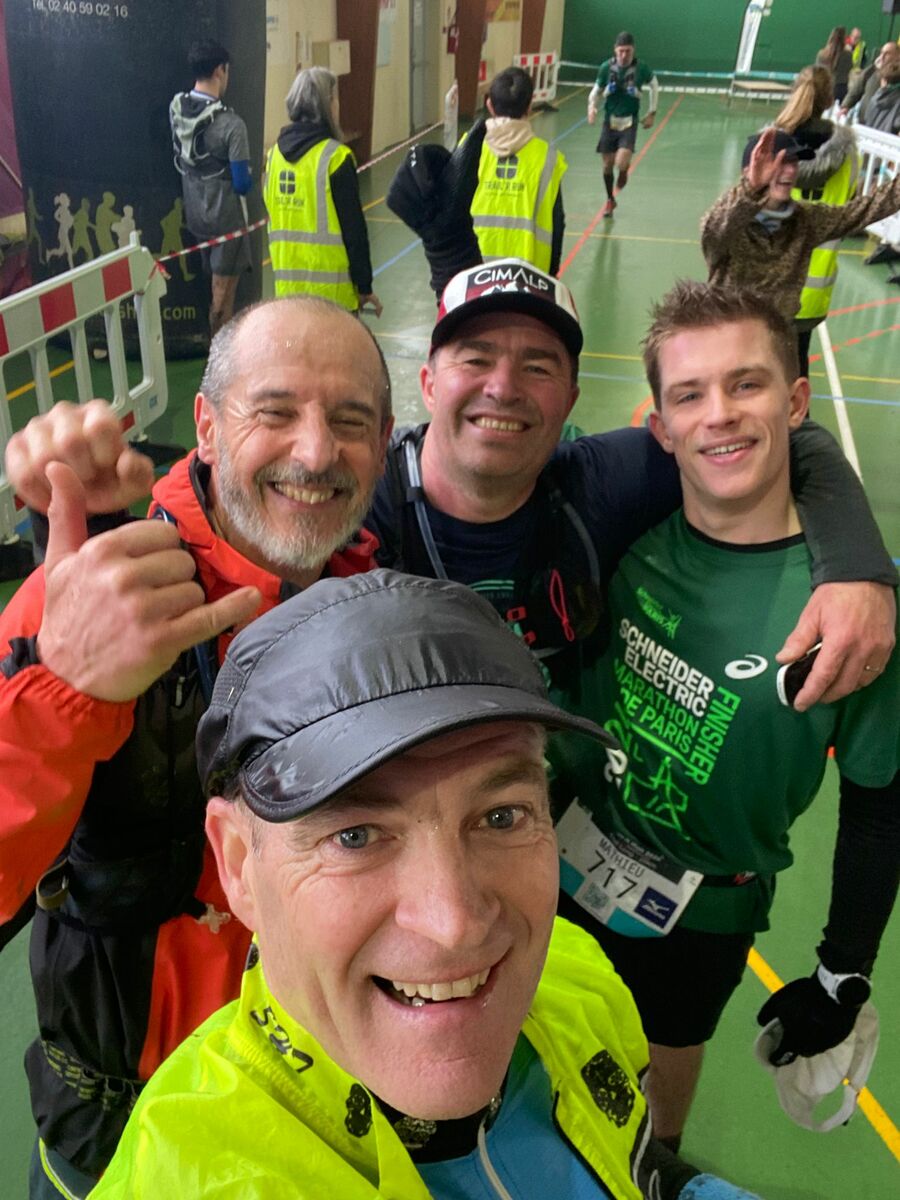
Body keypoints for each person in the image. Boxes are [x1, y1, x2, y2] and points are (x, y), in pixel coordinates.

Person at [90, 568, 763, 1200]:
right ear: (239, 864)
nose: (455, 924)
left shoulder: (573, 975)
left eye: (502, 816)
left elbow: (632, 1160)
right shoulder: (191, 1175)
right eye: (354, 836)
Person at [0, 296, 393, 1197]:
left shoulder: (374, 602)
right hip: (121, 1142)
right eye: (275, 411)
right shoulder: (90, 597)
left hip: (309, 1121)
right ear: (207, 428)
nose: (315, 451)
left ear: (383, 443)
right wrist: (64, 691)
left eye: (349, 421)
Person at [550, 280, 899, 1150]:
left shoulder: (852, 613)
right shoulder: (624, 529)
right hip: (555, 859)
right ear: (661, 426)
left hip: (697, 913)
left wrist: (843, 970)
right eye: (690, 394)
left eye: (747, 384)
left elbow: (879, 803)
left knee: (651, 1112)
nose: (720, 415)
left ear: (797, 402)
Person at [366, 257, 896, 718]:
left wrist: (857, 570)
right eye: (476, 360)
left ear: (570, 400)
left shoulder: (599, 484)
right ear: (429, 385)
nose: (503, 387)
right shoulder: (363, 502)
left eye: (537, 367)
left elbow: (784, 438)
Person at [700, 126, 900, 371]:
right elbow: (715, 229)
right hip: (728, 347)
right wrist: (750, 190)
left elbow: (865, 209)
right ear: (750, 170)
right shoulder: (728, 223)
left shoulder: (806, 219)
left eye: (794, 162)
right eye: (780, 162)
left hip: (778, 347)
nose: (791, 170)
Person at [263, 66, 382, 316]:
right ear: (327, 105)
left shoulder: (274, 158)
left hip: (289, 294)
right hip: (333, 297)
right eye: (335, 98)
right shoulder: (335, 158)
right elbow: (354, 231)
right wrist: (364, 285)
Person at [773, 65, 860, 376]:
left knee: (768, 369)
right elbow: (850, 207)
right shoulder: (849, 155)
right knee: (798, 363)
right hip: (814, 290)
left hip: (769, 284)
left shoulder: (771, 148)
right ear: (828, 100)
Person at [170, 40, 253, 335]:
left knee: (214, 290)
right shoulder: (232, 125)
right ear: (220, 70)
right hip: (225, 220)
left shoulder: (176, 109)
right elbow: (242, 184)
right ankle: (219, 353)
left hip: (196, 216)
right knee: (222, 299)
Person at [469, 65, 567, 274]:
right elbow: (557, 223)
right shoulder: (548, 157)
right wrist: (551, 276)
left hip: (474, 272)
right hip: (529, 275)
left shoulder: (468, 148)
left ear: (489, 105)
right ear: (529, 106)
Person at [587, 32, 658, 218]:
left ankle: (624, 170)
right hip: (609, 121)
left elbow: (654, 85)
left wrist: (652, 112)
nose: (624, 55)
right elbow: (595, 91)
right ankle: (610, 199)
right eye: (621, 51)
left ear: (633, 50)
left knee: (620, 162)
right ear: (615, 50)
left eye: (628, 51)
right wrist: (591, 107)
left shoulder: (641, 68)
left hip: (629, 122)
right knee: (607, 165)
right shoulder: (606, 68)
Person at [840, 41, 900, 120]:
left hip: (884, 123)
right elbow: (856, 90)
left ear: (897, 56)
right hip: (863, 120)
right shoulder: (872, 70)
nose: (882, 57)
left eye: (887, 54)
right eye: (881, 53)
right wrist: (846, 106)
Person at [815, 26, 852, 104]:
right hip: (841, 89)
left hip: (824, 88)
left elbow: (817, 72)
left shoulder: (822, 54)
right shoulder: (848, 55)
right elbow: (849, 68)